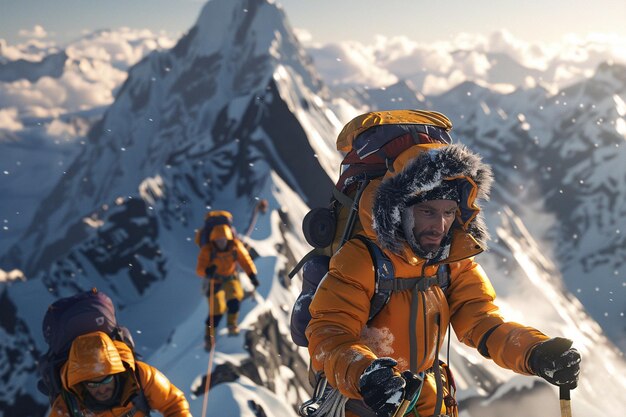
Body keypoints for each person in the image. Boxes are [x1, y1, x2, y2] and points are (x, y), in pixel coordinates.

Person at [306, 142, 581, 416]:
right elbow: (329, 335)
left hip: (428, 402)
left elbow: (483, 323)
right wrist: (365, 373)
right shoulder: (361, 259)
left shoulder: (451, 263)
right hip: (366, 405)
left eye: (449, 213)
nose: (439, 226)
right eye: (428, 212)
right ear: (400, 210)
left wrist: (535, 351)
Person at [48, 331, 191, 417]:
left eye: (106, 380)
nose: (102, 389)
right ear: (82, 384)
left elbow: (173, 403)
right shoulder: (68, 404)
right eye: (93, 384)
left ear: (116, 373)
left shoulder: (141, 376)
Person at [196, 223, 259, 350]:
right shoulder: (208, 250)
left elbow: (245, 260)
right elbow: (200, 268)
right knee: (216, 310)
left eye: (223, 240)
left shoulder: (235, 247)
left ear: (228, 239)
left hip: (231, 277)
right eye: (218, 240)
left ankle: (232, 325)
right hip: (215, 281)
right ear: (213, 240)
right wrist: (207, 271)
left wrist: (252, 275)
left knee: (234, 299)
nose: (221, 243)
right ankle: (209, 337)